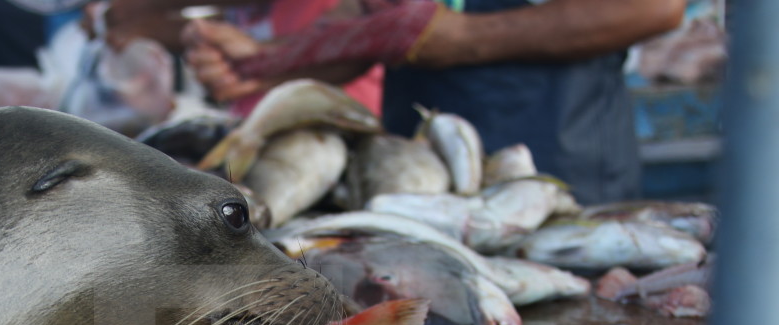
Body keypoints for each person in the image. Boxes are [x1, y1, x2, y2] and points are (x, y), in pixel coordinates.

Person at [183, 0, 687, 204]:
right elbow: (372, 15)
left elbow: (653, 6)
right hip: (411, 176)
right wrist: (264, 60)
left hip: (562, 165)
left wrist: (466, 38)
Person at [103, 0, 385, 117]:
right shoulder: (251, 8)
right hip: (252, 136)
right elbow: (233, 31)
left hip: (331, 133)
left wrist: (147, 9)